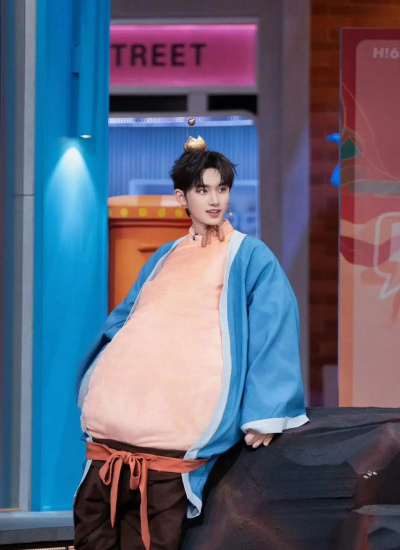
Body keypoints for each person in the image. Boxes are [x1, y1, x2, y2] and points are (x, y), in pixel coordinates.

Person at [73, 133, 309, 550]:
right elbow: (126, 316)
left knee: (152, 537)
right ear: (182, 198)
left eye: (222, 188)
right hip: (110, 433)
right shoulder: (165, 254)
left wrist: (267, 410)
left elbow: (274, 325)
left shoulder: (249, 256)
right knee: (92, 534)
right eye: (203, 190)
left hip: (175, 438)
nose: (215, 200)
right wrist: (98, 377)